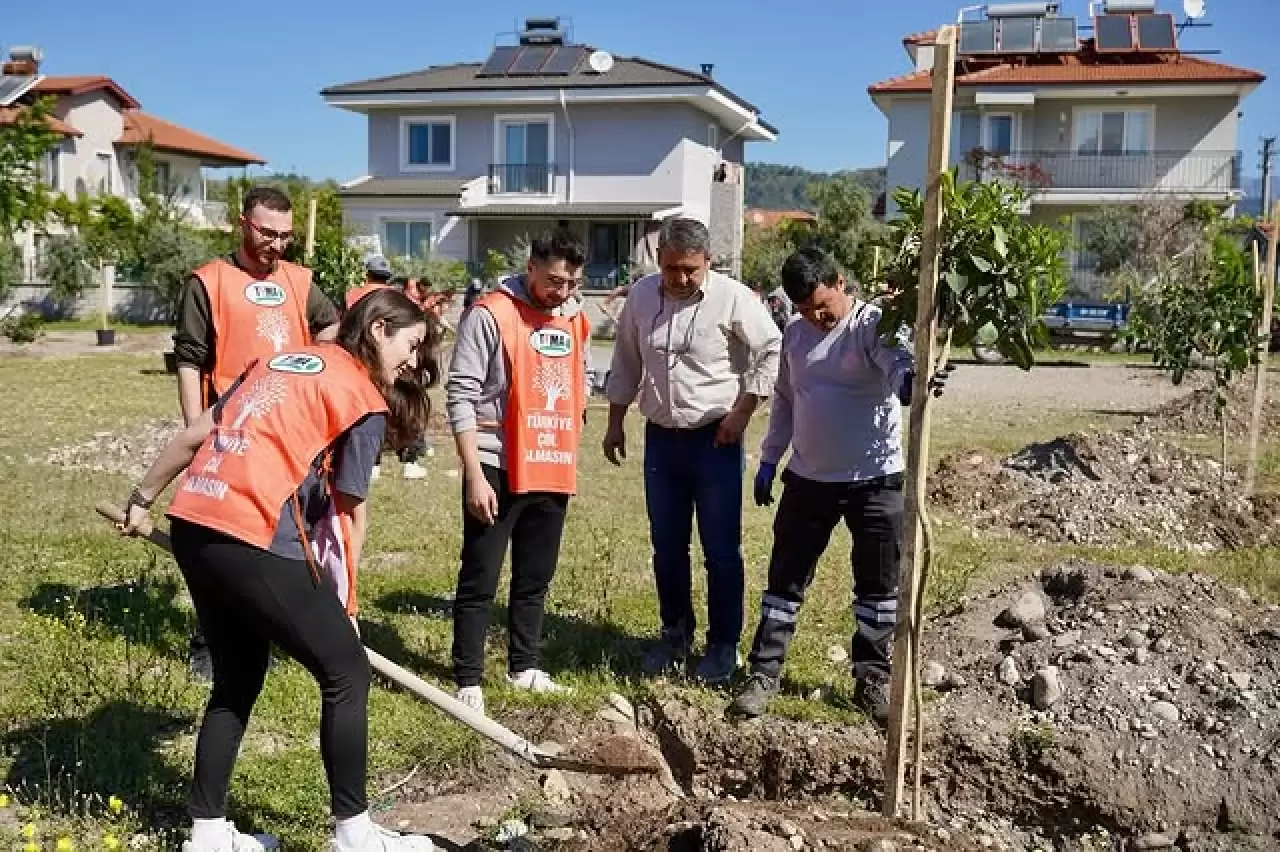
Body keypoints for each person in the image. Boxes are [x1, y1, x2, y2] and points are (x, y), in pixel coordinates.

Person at [120, 287, 441, 852]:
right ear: (378, 331)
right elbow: (347, 516)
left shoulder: (276, 361)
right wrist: (345, 608)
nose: (414, 361)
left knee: (238, 675)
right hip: (251, 533)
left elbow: (198, 434)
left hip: (197, 521)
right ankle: (356, 834)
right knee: (345, 672)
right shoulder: (361, 396)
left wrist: (142, 497)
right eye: (411, 345)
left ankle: (208, 832)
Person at [729, 247, 947, 724]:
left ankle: (872, 680)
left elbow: (897, 370)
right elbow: (786, 398)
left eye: (822, 305)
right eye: (805, 309)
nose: (816, 316)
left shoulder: (875, 325)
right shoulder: (794, 336)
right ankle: (765, 674)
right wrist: (769, 459)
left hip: (877, 480)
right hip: (809, 479)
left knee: (877, 586)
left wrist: (915, 380)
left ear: (842, 283)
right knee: (785, 582)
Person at [603, 217, 781, 685]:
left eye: (690, 270)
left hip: (715, 441)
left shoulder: (733, 297)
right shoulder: (641, 298)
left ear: (708, 263)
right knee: (667, 547)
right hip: (662, 442)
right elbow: (625, 360)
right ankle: (674, 634)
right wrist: (615, 422)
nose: (679, 279)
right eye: (670, 268)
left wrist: (743, 412)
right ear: (658, 261)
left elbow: (772, 348)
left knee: (721, 551)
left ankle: (724, 646)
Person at [172, 185, 340, 680]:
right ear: (242, 223)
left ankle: (278, 628)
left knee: (289, 536)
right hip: (232, 434)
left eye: (286, 236)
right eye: (268, 233)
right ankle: (212, 643)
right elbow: (189, 361)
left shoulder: (299, 281)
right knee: (226, 543)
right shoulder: (209, 282)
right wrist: (195, 432)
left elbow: (330, 328)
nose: (277, 244)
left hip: (289, 436)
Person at [446, 228, 591, 715]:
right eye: (553, 281)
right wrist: (473, 473)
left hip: (551, 460)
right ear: (530, 267)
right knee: (481, 572)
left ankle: (524, 666)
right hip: (496, 461)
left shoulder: (573, 316)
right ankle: (468, 676)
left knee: (535, 575)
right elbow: (460, 393)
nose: (562, 293)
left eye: (571, 283)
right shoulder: (490, 314)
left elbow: (580, 376)